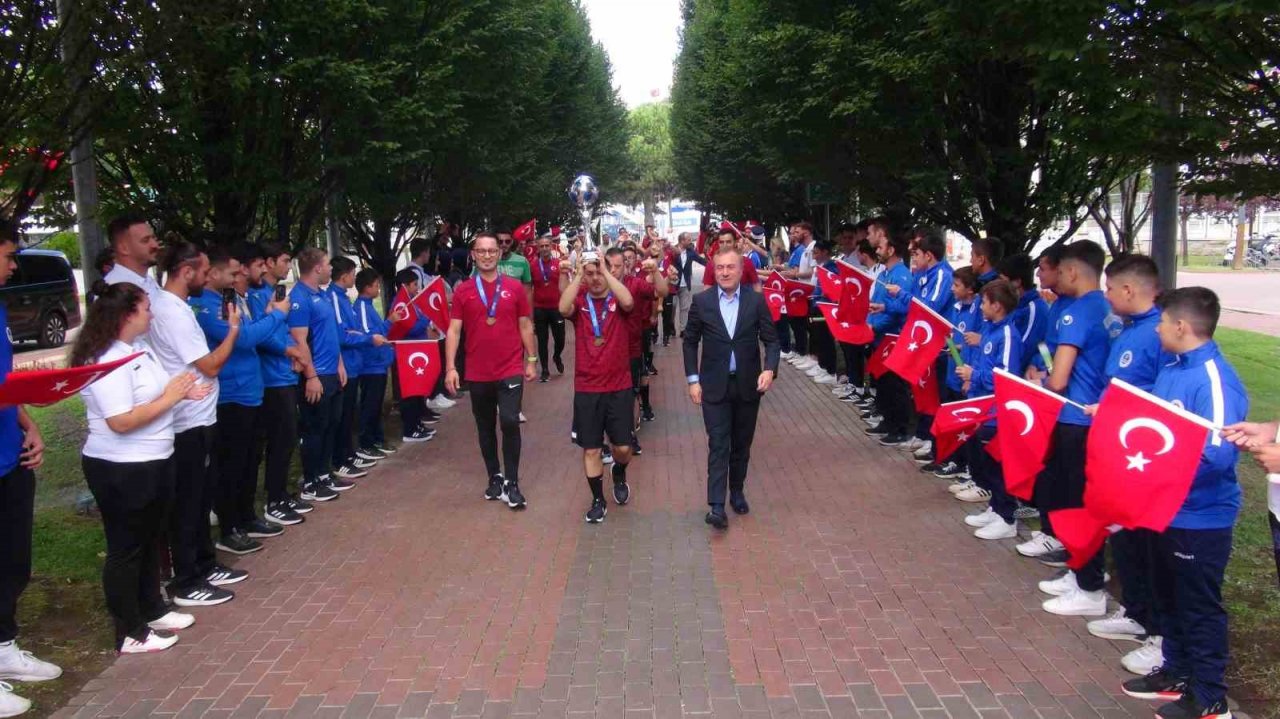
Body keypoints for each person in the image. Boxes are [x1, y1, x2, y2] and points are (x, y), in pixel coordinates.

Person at [1121, 287, 1247, 719]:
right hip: (1163, 508)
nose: (1156, 328)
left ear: (1181, 326)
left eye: (1162, 321)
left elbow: (1219, 454)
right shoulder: (1172, 368)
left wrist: (1165, 469)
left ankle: (1211, 697)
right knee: (1168, 595)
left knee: (1198, 605)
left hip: (1200, 515)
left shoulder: (1213, 378)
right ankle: (1176, 671)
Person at [71, 283, 211, 656]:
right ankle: (129, 629)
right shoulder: (106, 358)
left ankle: (152, 609)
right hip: (122, 467)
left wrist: (182, 391)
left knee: (151, 539)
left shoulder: (137, 350)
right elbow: (121, 420)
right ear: (127, 313)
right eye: (147, 308)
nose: (152, 314)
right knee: (126, 547)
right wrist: (171, 396)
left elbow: (156, 393)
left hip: (154, 459)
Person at [1081, 253, 1172, 677]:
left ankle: (1159, 631)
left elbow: (1163, 399)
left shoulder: (1160, 334)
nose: (1106, 294)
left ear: (1129, 289)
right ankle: (1135, 611)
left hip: (1143, 456)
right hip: (1115, 447)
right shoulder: (1126, 329)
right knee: (1124, 536)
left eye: (1110, 287)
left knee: (1149, 543)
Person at [148, 241, 244, 607]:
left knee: (202, 496)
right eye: (204, 272)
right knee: (188, 502)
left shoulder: (179, 308)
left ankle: (204, 563)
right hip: (187, 420)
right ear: (186, 272)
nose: (209, 278)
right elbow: (209, 365)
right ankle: (187, 578)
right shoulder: (171, 311)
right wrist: (233, 331)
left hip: (200, 415)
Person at [190, 247, 290, 555]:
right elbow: (244, 338)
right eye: (232, 273)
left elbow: (251, 333)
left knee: (249, 460)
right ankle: (229, 526)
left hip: (251, 390)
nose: (238, 278)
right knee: (230, 464)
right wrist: (275, 316)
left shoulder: (232, 300)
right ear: (214, 274)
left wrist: (266, 321)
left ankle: (246, 517)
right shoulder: (203, 307)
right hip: (230, 395)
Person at [0, 226, 59, 717]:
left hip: (9, 456)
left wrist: (28, 422)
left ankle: (4, 648)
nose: (15, 266)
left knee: (13, 562)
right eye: (7, 256)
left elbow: (6, 381)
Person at [1035, 240, 1113, 617]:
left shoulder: (1077, 312)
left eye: (1061, 270)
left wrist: (1042, 379)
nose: (1058, 278)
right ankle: (1079, 571)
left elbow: (1059, 378)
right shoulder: (1105, 308)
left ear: (1073, 272)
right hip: (1093, 417)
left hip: (1075, 417)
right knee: (1077, 497)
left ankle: (1089, 584)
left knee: (1075, 501)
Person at [683, 244, 780, 530]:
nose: (725, 272)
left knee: (741, 444)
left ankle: (736, 490)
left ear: (741, 270)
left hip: (748, 386)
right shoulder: (702, 303)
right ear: (714, 270)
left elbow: (771, 341)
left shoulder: (755, 301)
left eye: (730, 267)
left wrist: (770, 369)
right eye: (720, 268)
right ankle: (716, 505)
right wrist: (692, 380)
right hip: (713, 386)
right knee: (718, 443)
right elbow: (690, 342)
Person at [444, 233, 538, 510]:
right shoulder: (463, 290)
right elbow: (454, 330)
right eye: (481, 251)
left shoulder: (514, 287)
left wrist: (531, 359)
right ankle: (494, 476)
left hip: (510, 367)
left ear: (499, 254)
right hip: (477, 371)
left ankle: (512, 482)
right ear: (473, 254)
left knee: (509, 421)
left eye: (491, 251)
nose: (487, 255)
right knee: (485, 426)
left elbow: (525, 325)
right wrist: (450, 367)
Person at [559, 249, 637, 523]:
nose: (595, 279)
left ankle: (619, 473)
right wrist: (578, 273)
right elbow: (561, 307)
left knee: (623, 448)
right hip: (587, 387)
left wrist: (604, 269)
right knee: (591, 448)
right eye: (589, 274)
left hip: (618, 386)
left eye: (598, 273)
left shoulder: (618, 299)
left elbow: (628, 301)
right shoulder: (580, 302)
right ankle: (597, 499)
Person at [248, 242, 312, 526]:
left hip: (286, 373)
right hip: (271, 378)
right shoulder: (255, 295)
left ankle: (281, 493)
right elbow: (261, 334)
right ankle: (273, 499)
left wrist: (296, 353)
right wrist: (290, 351)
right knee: (279, 439)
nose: (288, 266)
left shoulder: (272, 293)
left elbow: (282, 329)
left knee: (288, 438)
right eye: (285, 261)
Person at [953, 280, 1021, 538]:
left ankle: (1007, 518)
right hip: (981, 405)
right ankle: (995, 507)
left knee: (997, 464)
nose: (981, 307)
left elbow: (1005, 375)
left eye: (985, 302)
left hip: (996, 411)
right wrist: (971, 379)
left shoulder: (1007, 334)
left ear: (998, 306)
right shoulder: (991, 330)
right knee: (986, 463)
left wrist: (976, 374)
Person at [288, 248, 351, 503]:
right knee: (315, 427)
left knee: (330, 424)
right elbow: (299, 340)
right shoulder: (300, 298)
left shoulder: (322, 295)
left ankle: (325, 473)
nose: (330, 269)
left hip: (331, 371)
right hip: (316, 374)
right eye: (326, 265)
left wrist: (339, 364)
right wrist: (311, 376)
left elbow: (331, 335)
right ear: (316, 268)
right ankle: (311, 479)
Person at [327, 257, 387, 479]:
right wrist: (366, 338)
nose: (355, 278)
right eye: (353, 274)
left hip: (353, 364)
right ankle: (341, 458)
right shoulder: (333, 298)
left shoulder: (343, 298)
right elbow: (342, 334)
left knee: (348, 413)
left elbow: (353, 332)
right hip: (345, 365)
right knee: (342, 416)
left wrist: (359, 336)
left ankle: (349, 455)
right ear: (345, 276)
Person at [390, 268, 439, 444]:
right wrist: (428, 316)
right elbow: (411, 328)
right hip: (407, 354)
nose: (417, 288)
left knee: (418, 392)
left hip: (417, 350)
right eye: (414, 285)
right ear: (405, 286)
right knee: (410, 395)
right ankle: (410, 429)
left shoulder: (412, 302)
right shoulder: (400, 305)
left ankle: (417, 424)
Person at [353, 269, 396, 459]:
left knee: (376, 405)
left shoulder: (369, 306)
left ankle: (377, 439)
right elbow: (369, 335)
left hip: (378, 364)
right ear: (367, 287)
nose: (379, 288)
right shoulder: (361, 307)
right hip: (370, 365)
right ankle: (366, 442)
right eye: (376, 285)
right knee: (370, 405)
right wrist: (389, 322)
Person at [531, 232, 566, 382]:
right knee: (542, 340)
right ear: (537, 248)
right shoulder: (532, 265)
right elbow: (529, 288)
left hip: (556, 308)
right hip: (539, 308)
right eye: (541, 246)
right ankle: (545, 369)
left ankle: (557, 356)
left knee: (560, 339)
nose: (544, 248)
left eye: (547, 245)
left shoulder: (559, 264)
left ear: (551, 247)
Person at [103, 214, 162, 302]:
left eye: (153, 238)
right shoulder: (114, 291)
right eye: (145, 240)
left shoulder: (147, 281)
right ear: (123, 248)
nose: (155, 245)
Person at [672, 233, 706, 337]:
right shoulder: (672, 251)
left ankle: (683, 329)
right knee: (672, 307)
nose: (690, 241)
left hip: (685, 284)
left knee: (684, 308)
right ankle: (671, 326)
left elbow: (701, 261)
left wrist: (715, 265)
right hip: (672, 284)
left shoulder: (691, 252)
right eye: (688, 240)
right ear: (682, 241)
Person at [495, 229, 534, 307]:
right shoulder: (487, 260)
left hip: (515, 309)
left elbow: (527, 292)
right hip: (492, 310)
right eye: (500, 241)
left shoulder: (522, 261)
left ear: (512, 242)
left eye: (507, 241)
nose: (504, 244)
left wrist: (529, 317)